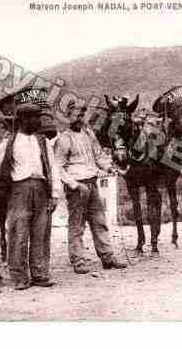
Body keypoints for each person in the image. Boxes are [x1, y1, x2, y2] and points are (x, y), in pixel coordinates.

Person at [0, 88, 61, 290]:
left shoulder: (43, 142)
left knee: (41, 233)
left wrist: (55, 194)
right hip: (19, 191)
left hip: (41, 190)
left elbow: (53, 168)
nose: (39, 121)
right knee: (18, 233)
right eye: (35, 118)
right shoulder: (10, 142)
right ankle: (20, 277)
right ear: (24, 120)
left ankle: (40, 274)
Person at [54, 101, 127, 274]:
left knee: (99, 222)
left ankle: (107, 257)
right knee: (77, 225)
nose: (80, 118)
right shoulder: (64, 138)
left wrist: (110, 167)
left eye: (82, 115)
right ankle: (78, 261)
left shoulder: (89, 134)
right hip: (77, 187)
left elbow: (99, 156)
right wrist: (74, 184)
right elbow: (57, 166)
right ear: (68, 117)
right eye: (77, 115)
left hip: (92, 183)